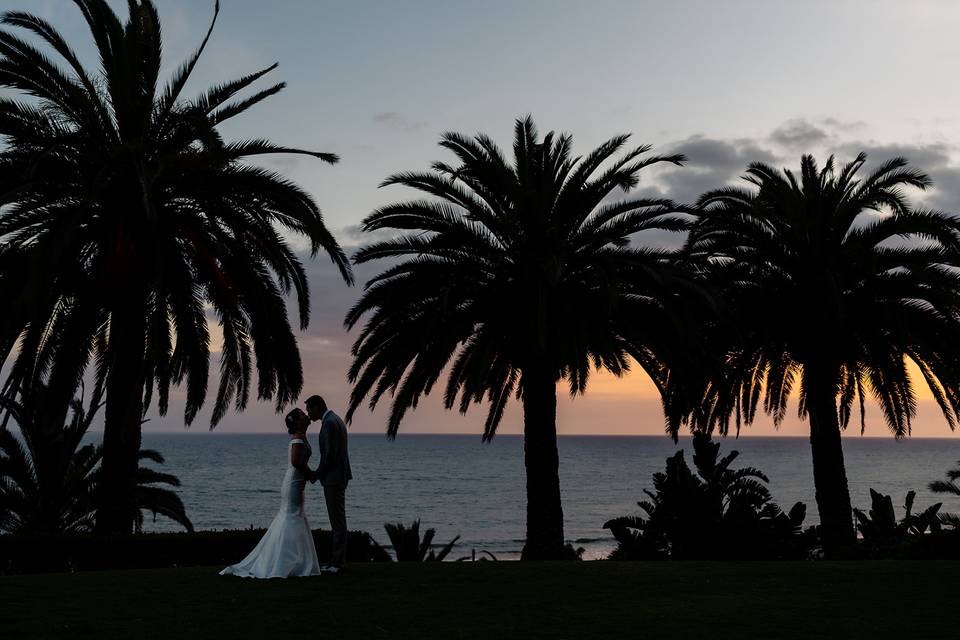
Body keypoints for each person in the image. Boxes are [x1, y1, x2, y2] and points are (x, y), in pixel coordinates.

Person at [220, 408, 321, 578]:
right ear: (296, 422)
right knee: (292, 517)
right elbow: (295, 461)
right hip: (294, 483)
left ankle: (294, 560)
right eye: (302, 415)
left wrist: (309, 475)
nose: (306, 416)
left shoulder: (301, 437)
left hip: (297, 483)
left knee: (294, 516)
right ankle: (286, 561)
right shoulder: (297, 439)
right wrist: (311, 474)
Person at [306, 395, 352, 573]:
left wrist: (316, 475)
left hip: (334, 478)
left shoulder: (329, 424)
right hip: (339, 476)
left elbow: (329, 455)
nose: (308, 413)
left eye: (310, 409)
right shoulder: (336, 420)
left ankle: (337, 563)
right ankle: (337, 560)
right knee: (338, 520)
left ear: (318, 407)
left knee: (337, 521)